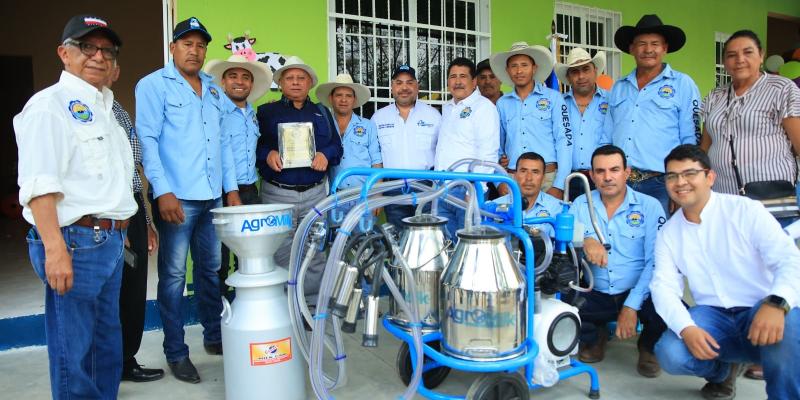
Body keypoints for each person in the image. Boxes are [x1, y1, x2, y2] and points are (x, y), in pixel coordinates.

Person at [15, 14, 137, 398]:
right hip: (74, 242)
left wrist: (123, 232)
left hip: (109, 242)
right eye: (87, 47)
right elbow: (39, 185)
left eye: (107, 50)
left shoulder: (107, 109)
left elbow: (111, 181)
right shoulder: (49, 106)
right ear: (64, 54)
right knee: (75, 353)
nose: (98, 56)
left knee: (106, 348)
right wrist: (54, 249)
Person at [136, 17, 241, 383]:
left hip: (213, 197)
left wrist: (232, 190)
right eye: (187, 44)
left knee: (211, 271)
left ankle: (214, 336)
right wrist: (162, 191)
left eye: (200, 45)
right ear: (173, 48)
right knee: (174, 277)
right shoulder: (153, 85)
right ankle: (176, 352)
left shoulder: (213, 90)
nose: (194, 50)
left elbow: (224, 142)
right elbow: (146, 140)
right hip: (177, 198)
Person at [652, 144, 800, 400]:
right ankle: (720, 371)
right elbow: (662, 286)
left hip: (761, 311)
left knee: (789, 324)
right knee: (670, 352)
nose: (680, 182)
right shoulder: (669, 233)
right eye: (672, 176)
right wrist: (687, 328)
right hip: (714, 317)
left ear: (710, 177)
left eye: (689, 173)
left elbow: (788, 258)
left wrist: (777, 303)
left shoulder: (744, 210)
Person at [569, 145, 666, 378]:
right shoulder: (581, 204)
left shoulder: (649, 206)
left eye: (614, 170)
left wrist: (632, 306)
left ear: (627, 172)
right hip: (597, 288)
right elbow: (564, 238)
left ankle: (648, 346)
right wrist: (586, 239)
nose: (607, 177)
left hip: (638, 291)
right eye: (600, 171)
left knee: (667, 306)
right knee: (564, 306)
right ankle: (596, 335)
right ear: (591, 176)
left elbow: (657, 261)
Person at [255, 56, 342, 304]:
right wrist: (267, 153)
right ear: (280, 82)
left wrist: (326, 154)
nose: (295, 83)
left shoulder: (323, 113)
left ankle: (311, 305)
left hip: (315, 193)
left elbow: (337, 146)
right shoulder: (266, 112)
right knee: (281, 251)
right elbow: (253, 147)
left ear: (310, 83)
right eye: (290, 78)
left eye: (301, 78)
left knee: (314, 250)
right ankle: (283, 306)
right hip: (277, 193)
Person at [700, 30, 800, 225]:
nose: (740, 59)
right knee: (731, 254)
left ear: (761, 56)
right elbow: (705, 146)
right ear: (725, 61)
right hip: (724, 196)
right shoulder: (715, 95)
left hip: (771, 198)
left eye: (748, 52)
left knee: (773, 253)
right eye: (731, 55)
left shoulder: (781, 88)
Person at [609, 14, 701, 212]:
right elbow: (607, 135)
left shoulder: (683, 84)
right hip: (621, 183)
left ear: (665, 48)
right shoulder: (619, 87)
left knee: (661, 240)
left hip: (661, 184)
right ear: (632, 49)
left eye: (655, 44)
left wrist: (681, 184)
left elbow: (690, 139)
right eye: (641, 44)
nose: (648, 50)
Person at [107, 65, 163, 383]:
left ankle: (127, 360)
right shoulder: (75, 111)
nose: (103, 65)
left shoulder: (118, 110)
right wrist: (119, 222)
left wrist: (146, 221)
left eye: (111, 60)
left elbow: (133, 174)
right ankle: (108, 367)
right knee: (109, 297)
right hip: (110, 217)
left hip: (133, 209)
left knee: (133, 289)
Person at [204, 54, 272, 298]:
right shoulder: (216, 111)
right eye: (233, 76)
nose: (239, 81)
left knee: (249, 256)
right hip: (224, 192)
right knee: (219, 259)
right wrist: (231, 191)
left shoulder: (253, 115)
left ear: (252, 84)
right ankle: (222, 315)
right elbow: (220, 154)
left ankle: (245, 304)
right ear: (223, 81)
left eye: (245, 77)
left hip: (250, 190)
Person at [491, 41, 572, 199]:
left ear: (534, 68)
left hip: (548, 179)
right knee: (512, 223)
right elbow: (496, 146)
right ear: (507, 71)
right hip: (513, 179)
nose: (519, 71)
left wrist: (559, 185)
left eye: (524, 65)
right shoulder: (502, 103)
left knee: (546, 223)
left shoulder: (554, 98)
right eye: (514, 66)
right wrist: (499, 182)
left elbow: (565, 141)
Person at [433, 57, 500, 237]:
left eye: (463, 76)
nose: (458, 81)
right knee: (445, 245)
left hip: (467, 190)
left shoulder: (483, 107)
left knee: (468, 247)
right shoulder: (447, 108)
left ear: (474, 81)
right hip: (441, 188)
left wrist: (477, 188)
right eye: (453, 76)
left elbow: (488, 151)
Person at [371, 65, 441, 228]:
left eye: (409, 82)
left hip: (426, 187)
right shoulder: (378, 118)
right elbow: (375, 158)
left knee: (427, 238)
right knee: (398, 240)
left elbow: (443, 152)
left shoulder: (434, 116)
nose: (404, 87)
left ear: (417, 87)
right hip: (392, 188)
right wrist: (377, 192)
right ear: (392, 87)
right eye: (399, 82)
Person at [315, 73, 382, 215]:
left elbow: (376, 162)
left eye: (348, 95)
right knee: (335, 237)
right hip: (333, 197)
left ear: (354, 99)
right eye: (339, 95)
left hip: (363, 196)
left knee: (363, 237)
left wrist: (377, 194)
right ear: (331, 98)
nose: (343, 100)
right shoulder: (323, 125)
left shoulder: (368, 125)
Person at [554, 48, 613, 201]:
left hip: (601, 178)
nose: (581, 76)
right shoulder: (558, 103)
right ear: (568, 77)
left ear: (595, 70)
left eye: (586, 69)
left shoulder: (611, 101)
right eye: (575, 72)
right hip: (566, 179)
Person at [491, 152, 563, 228]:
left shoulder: (556, 208)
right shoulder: (494, 205)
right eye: (523, 171)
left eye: (535, 172)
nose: (529, 178)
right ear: (515, 176)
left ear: (543, 178)